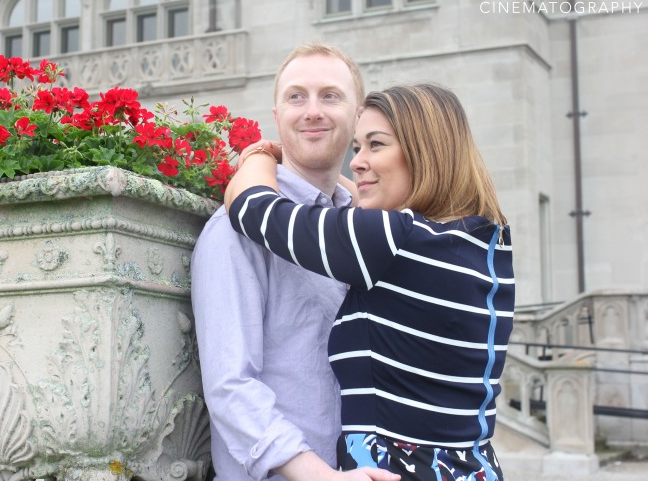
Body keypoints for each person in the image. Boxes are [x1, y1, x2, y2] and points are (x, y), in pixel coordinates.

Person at [224, 83, 515, 480]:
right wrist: (325, 176)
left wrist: (261, 154)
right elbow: (361, 206)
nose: (356, 163)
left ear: (425, 153)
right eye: (355, 148)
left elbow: (253, 209)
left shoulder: (395, 240)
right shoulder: (485, 241)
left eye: (375, 145)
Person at [191, 43, 399, 481]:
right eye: (296, 96)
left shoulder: (360, 227)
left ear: (357, 115)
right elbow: (231, 387)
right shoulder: (236, 230)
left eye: (330, 95)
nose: (312, 111)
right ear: (277, 113)